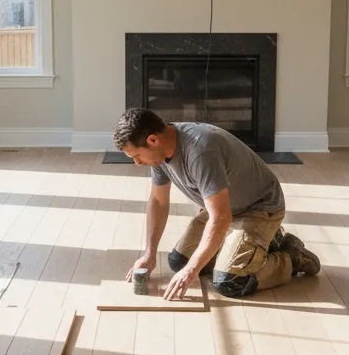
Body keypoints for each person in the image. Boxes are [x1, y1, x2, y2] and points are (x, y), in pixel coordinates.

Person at [113, 108, 321, 300]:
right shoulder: (159, 151)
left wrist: (192, 271)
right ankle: (263, 242)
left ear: (152, 140)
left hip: (258, 208)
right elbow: (158, 201)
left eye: (137, 156)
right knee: (179, 262)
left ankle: (291, 257)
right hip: (224, 207)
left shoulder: (201, 151)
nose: (137, 163)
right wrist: (150, 254)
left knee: (230, 281)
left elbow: (221, 218)